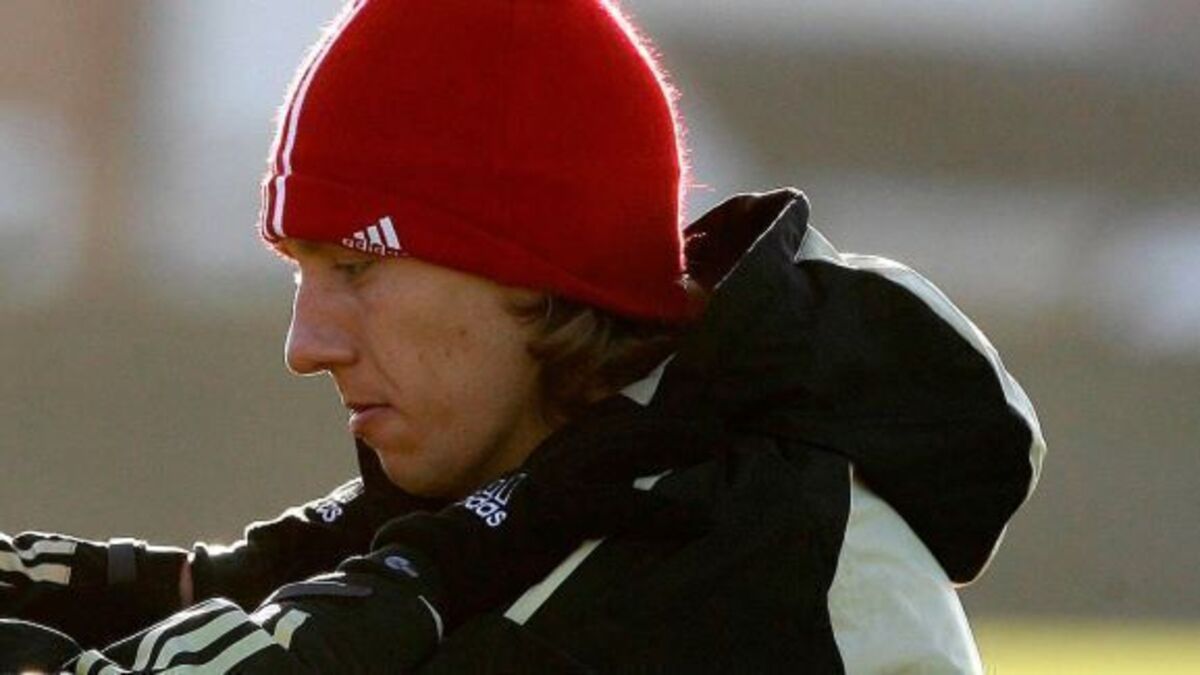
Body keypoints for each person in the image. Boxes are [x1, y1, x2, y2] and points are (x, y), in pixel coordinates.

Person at [0, 1, 1046, 672]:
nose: (305, 344)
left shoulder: (740, 566)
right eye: (299, 271)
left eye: (355, 266)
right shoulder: (554, 501)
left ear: (534, 271)